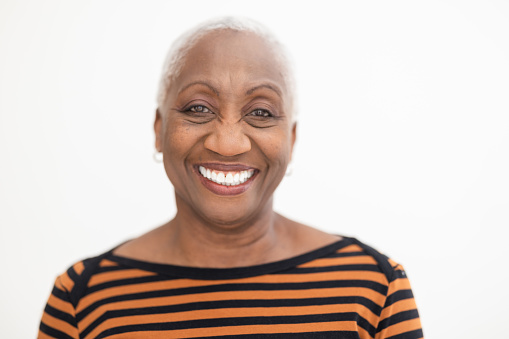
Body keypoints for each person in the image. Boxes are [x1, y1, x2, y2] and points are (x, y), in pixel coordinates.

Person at [39, 17, 423, 339]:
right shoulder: (82, 298)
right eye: (198, 108)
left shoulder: (375, 288)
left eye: (260, 113)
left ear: (290, 138)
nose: (227, 143)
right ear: (159, 129)